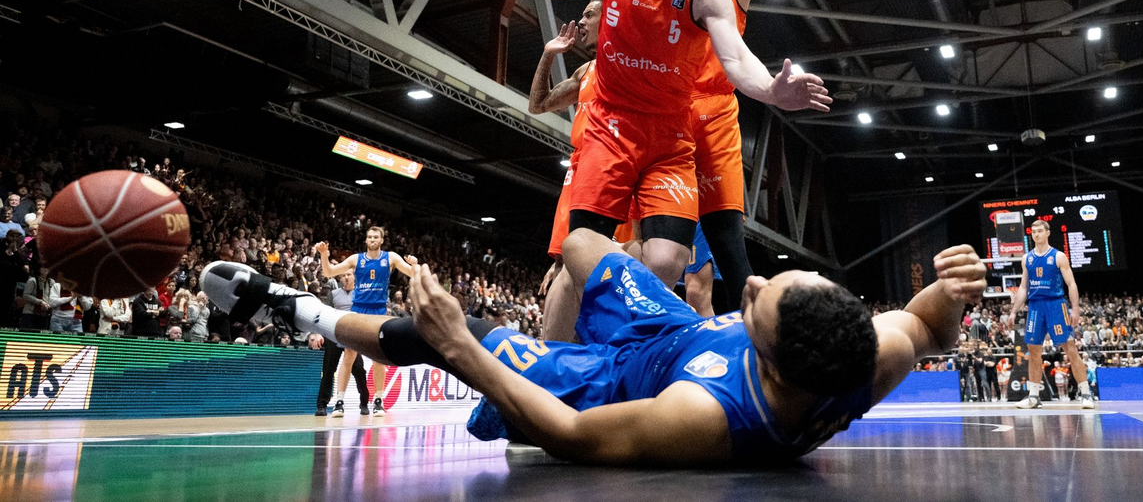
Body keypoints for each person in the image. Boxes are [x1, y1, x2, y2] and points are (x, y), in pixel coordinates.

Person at [200, 239, 986, 466]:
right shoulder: (870, 354)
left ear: (772, 365)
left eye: (757, 301)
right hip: (674, 332)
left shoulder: (704, 417)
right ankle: (554, 331)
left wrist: (463, 348)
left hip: (618, 379)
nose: (755, 284)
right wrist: (956, 290)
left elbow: (569, 438)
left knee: (453, 332)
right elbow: (927, 327)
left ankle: (298, 306)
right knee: (581, 244)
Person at [540, 0, 830, 291]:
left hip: (671, 136)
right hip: (611, 128)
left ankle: (639, 329)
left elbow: (735, 58)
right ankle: (590, 344)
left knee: (671, 259)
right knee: (580, 252)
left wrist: (770, 90)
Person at [591, 0, 821, 310]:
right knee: (638, 250)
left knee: (727, 252)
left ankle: (754, 352)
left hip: (712, 118)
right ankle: (630, 341)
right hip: (654, 117)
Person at [529, 0, 603, 342]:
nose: (582, 22)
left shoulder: (635, 65)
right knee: (565, 267)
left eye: (590, 14)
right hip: (578, 168)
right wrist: (548, 54)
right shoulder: (585, 71)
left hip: (609, 170)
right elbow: (538, 104)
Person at [315, 227, 416, 416]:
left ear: (382, 239)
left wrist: (414, 265)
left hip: (378, 312)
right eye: (369, 237)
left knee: (378, 357)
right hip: (358, 310)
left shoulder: (391, 257)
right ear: (366, 240)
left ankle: (378, 401)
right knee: (349, 356)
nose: (372, 239)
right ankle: (339, 402)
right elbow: (329, 272)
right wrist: (323, 254)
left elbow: (413, 273)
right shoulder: (356, 259)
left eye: (375, 237)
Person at [1005, 219, 1096, 409]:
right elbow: (1023, 288)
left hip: (1056, 304)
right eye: (1033, 231)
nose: (1036, 234)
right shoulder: (1026, 259)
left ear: (1047, 233)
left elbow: (1071, 284)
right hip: (1036, 306)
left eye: (1040, 231)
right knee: (1033, 350)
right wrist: (1013, 312)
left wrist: (1076, 309)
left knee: (1070, 347)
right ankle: (1033, 397)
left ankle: (1086, 394)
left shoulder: (1058, 256)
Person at [313, 273, 370, 417]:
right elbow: (325, 314)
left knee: (359, 370)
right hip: (334, 333)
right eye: (343, 275)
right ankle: (322, 405)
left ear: (354, 277)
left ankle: (364, 401)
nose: (346, 277)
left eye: (349, 274)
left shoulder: (361, 294)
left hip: (353, 335)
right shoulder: (333, 294)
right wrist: (320, 333)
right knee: (328, 369)